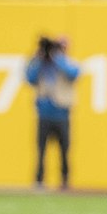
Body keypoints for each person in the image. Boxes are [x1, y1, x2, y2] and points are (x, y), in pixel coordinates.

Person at [25, 36, 80, 190]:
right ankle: (39, 181)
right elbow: (29, 77)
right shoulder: (41, 65)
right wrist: (38, 57)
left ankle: (65, 181)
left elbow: (73, 73)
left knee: (64, 150)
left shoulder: (68, 62)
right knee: (41, 150)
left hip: (62, 113)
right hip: (44, 113)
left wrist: (57, 58)